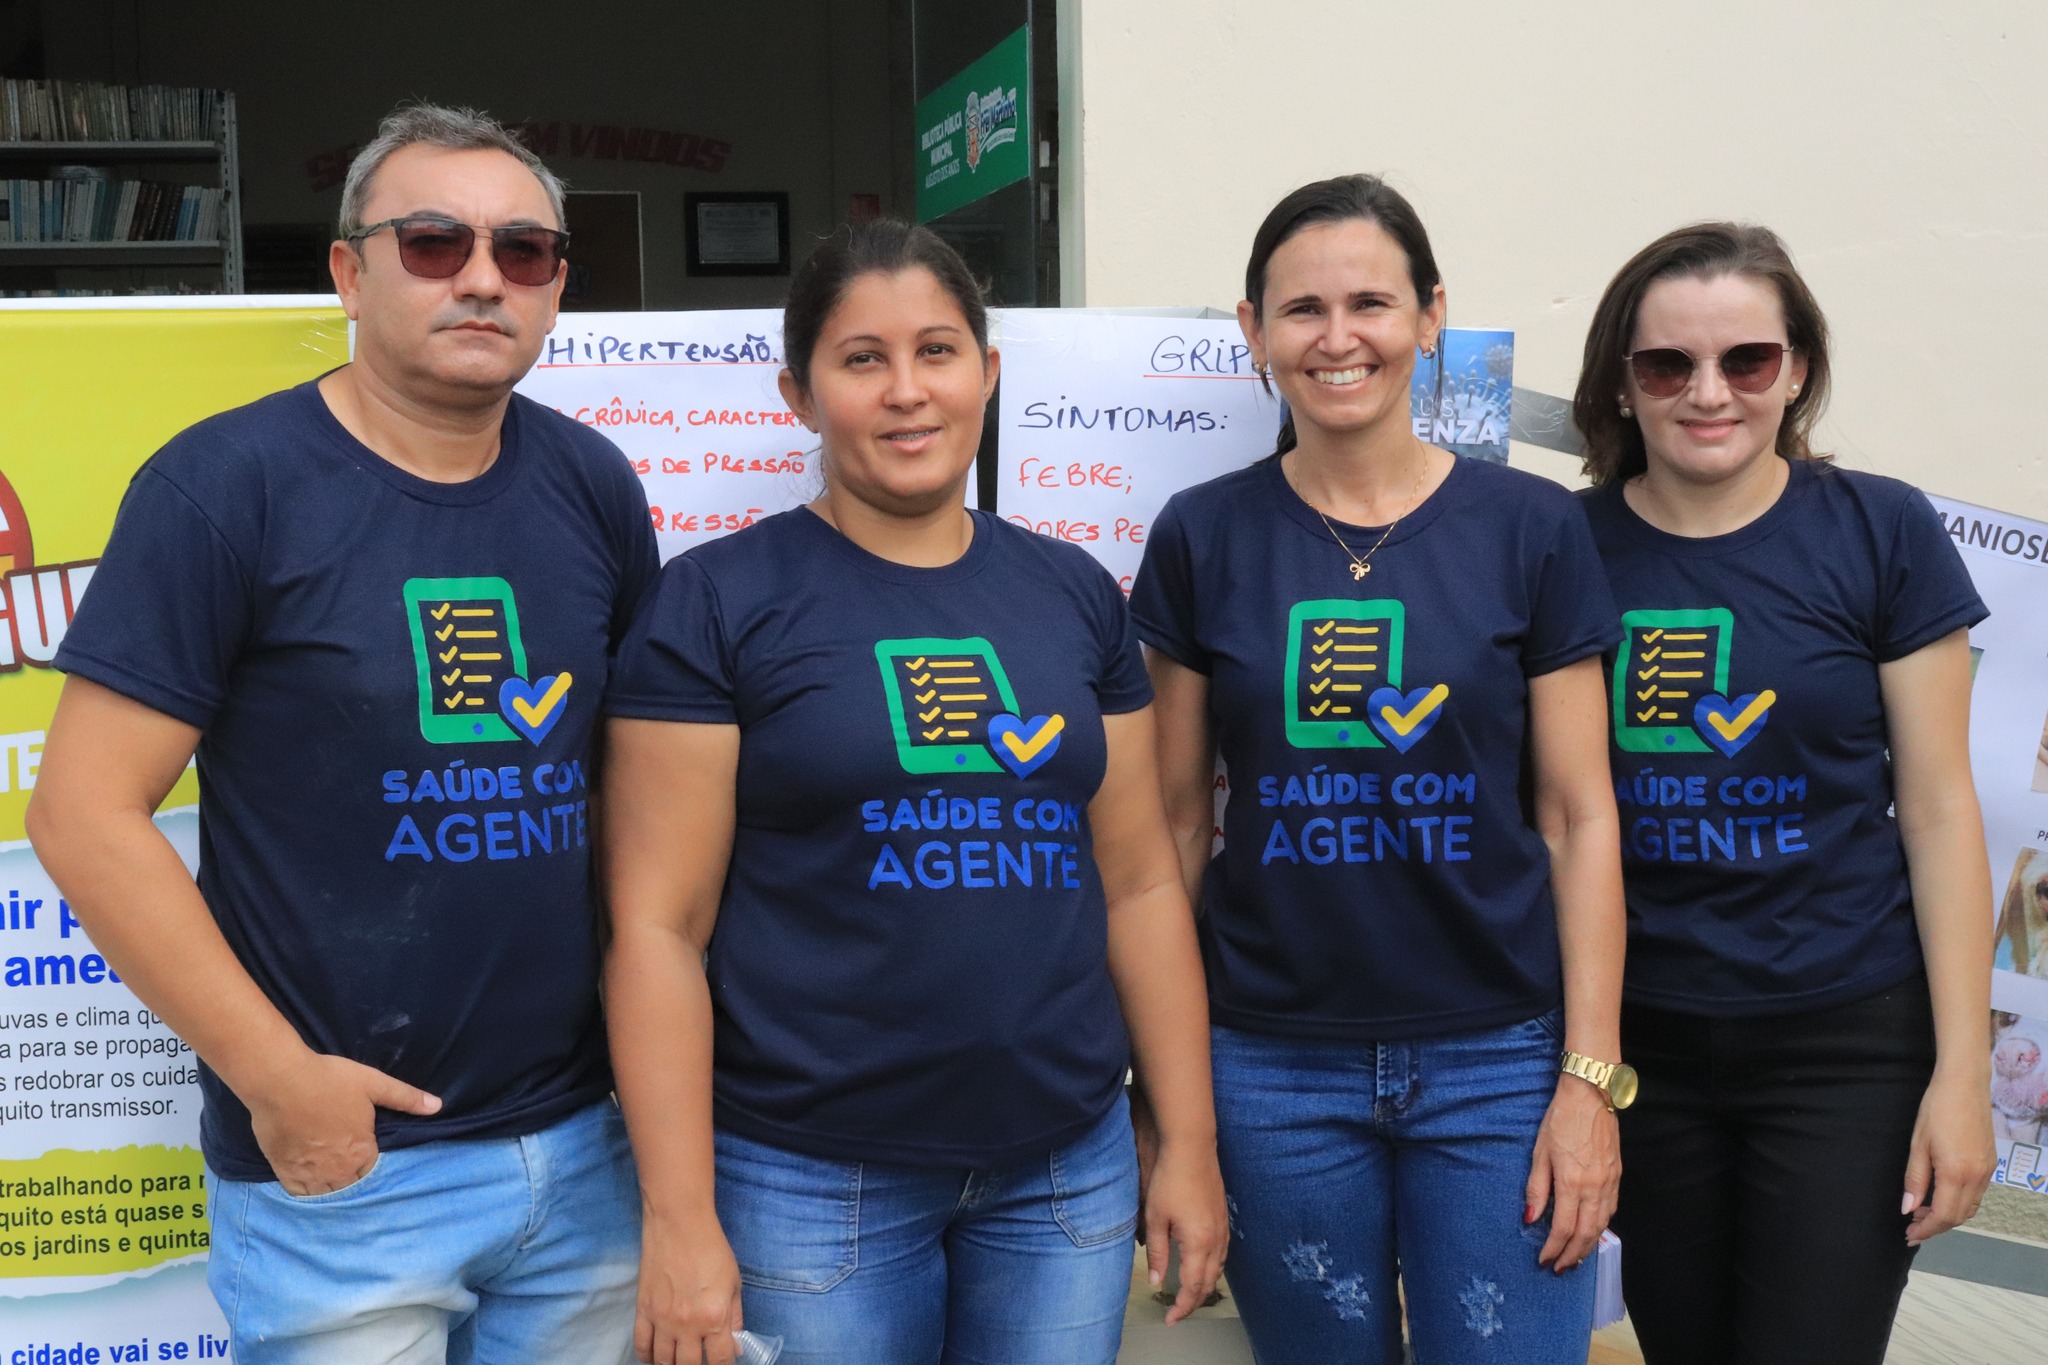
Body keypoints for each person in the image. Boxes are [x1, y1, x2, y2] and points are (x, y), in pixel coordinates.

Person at [26, 104, 657, 1363]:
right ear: (348, 273)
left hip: (585, 1148)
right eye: (432, 242)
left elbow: (638, 794)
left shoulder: (591, 484)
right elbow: (83, 815)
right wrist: (281, 1082)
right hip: (350, 1180)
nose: (481, 277)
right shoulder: (226, 486)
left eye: (523, 250)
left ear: (553, 285)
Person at [600, 218, 1228, 1365]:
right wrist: (678, 1217)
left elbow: (1139, 884)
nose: (906, 391)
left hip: (1063, 1168)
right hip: (809, 1176)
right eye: (861, 359)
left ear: (986, 373)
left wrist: (1185, 1142)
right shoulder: (714, 604)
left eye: (936, 351)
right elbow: (656, 930)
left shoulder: (1073, 593)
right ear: (799, 394)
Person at [1130, 174, 1628, 1363]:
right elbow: (1169, 831)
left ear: (1429, 315)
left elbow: (1577, 818)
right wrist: (1163, 1099)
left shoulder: (1531, 527)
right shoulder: (1201, 533)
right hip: (1267, 1067)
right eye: (1301, 309)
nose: (1337, 337)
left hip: (1498, 1062)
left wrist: (1588, 1081)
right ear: (1252, 331)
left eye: (1370, 303)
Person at [1572, 222, 1995, 1363]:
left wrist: (1963, 1077)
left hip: (1844, 1047)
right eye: (1668, 364)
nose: (1708, 392)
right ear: (1623, 380)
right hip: (1640, 1052)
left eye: (1746, 359)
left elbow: (1941, 812)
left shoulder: (1880, 529)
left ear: (1797, 369)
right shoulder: (1561, 546)